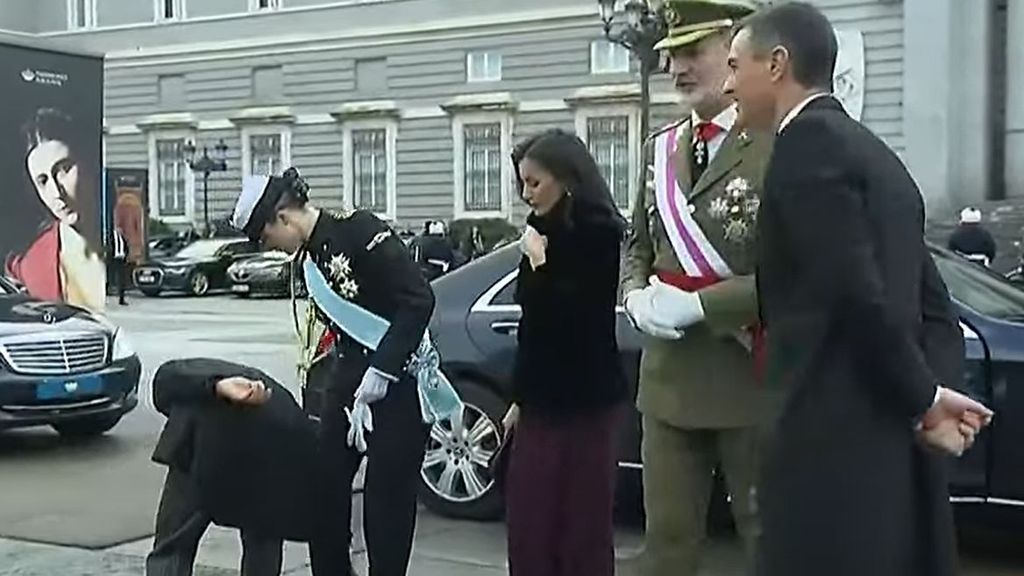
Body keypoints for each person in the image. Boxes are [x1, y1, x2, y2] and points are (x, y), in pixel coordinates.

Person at [724, 4, 994, 575]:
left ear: (777, 65)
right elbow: (933, 307)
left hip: (827, 455)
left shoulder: (805, 148)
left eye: (734, 65)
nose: (727, 85)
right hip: (891, 454)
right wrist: (929, 397)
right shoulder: (878, 156)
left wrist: (924, 399)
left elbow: (851, 292)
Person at [620, 2, 771, 574]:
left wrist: (702, 304)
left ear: (734, 47)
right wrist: (634, 294)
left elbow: (799, 268)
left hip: (752, 377)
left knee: (771, 542)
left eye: (692, 52)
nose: (675, 67)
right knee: (667, 547)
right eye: (669, 54)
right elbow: (637, 241)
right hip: (669, 383)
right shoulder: (659, 149)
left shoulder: (777, 141)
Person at [230, 167, 433, 576]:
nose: (273, 249)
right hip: (346, 386)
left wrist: (382, 371)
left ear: (283, 216)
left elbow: (418, 301)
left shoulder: (360, 229)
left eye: (268, 238)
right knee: (321, 489)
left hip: (397, 384)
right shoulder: (308, 258)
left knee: (386, 502)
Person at [502, 129, 627, 576]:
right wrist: (519, 397)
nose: (526, 193)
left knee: (581, 526)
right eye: (522, 183)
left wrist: (539, 263)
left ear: (566, 178)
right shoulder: (540, 229)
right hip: (540, 402)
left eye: (534, 182)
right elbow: (531, 326)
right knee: (531, 524)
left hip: (585, 402)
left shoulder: (598, 232)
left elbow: (573, 315)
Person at [146, 358, 319, 576]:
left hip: (208, 453)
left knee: (173, 544)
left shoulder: (177, 385)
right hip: (268, 454)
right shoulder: (286, 412)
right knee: (263, 541)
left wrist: (216, 387)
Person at [7, 108, 105, 311]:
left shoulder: (121, 244)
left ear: (87, 163)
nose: (56, 192)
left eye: (63, 169)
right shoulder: (27, 264)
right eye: (43, 181)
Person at [111, 226, 130, 305]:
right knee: (111, 277)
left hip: (121, 259)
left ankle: (121, 299)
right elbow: (109, 247)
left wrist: (126, 256)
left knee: (122, 279)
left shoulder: (122, 238)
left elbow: (126, 247)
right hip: (113, 259)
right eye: (119, 229)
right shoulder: (111, 237)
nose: (121, 231)